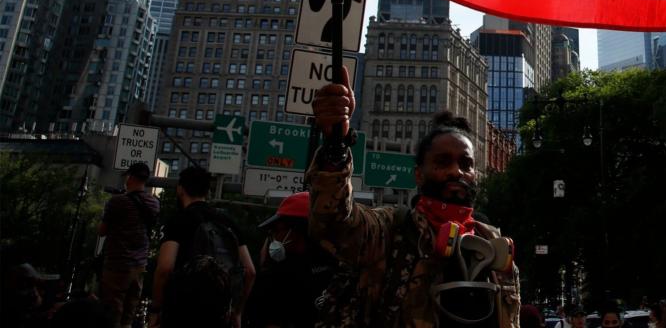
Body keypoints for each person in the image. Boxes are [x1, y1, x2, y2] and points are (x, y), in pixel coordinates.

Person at [309, 65, 521, 328]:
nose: (457, 171)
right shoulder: (389, 230)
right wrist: (335, 147)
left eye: (466, 164)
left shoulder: (495, 246)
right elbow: (334, 223)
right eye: (443, 162)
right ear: (419, 175)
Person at [150, 165, 256, 328]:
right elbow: (250, 271)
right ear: (207, 192)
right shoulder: (227, 222)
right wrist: (237, 311)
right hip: (219, 312)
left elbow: (165, 268)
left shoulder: (179, 220)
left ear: (180, 189)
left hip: (181, 310)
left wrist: (156, 310)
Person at [244, 191, 340, 328]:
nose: (273, 237)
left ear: (297, 231)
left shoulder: (278, 279)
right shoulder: (342, 272)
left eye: (277, 230)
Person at [98, 161, 160, 328]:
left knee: (112, 315)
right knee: (129, 315)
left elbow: (102, 230)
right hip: (139, 266)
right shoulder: (154, 203)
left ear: (130, 178)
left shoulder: (117, 202)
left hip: (116, 264)